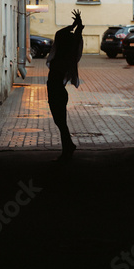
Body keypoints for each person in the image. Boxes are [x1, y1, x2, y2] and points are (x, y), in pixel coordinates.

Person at [46, 9, 84, 161]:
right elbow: (68, 36)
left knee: (60, 122)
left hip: (56, 91)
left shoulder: (61, 58)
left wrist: (74, 25)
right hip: (57, 91)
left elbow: (60, 33)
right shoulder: (69, 56)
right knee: (60, 122)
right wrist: (77, 26)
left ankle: (67, 149)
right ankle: (69, 146)